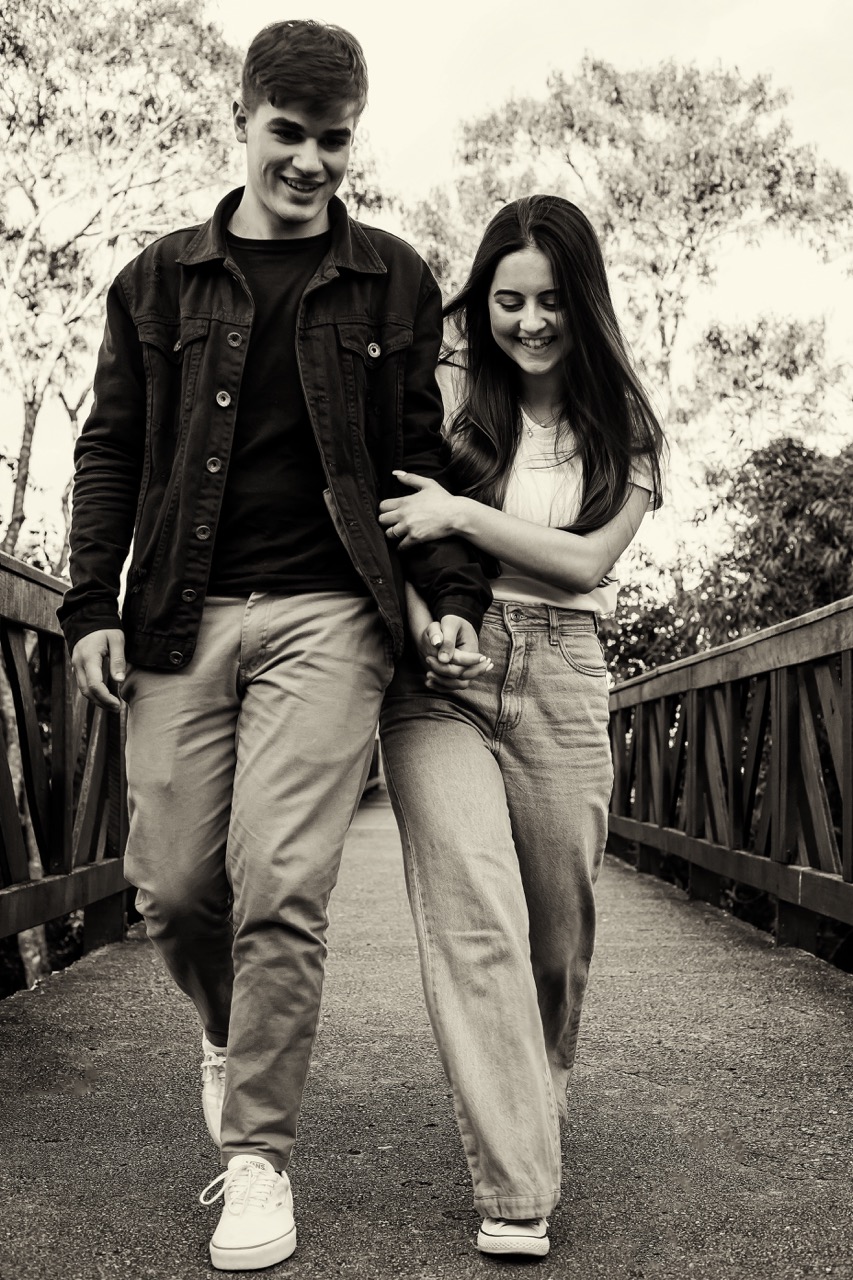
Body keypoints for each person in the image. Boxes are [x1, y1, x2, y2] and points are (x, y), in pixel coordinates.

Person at [58, 19, 491, 1272]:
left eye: (333, 139)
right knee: (173, 885)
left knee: (281, 881)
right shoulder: (156, 280)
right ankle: (227, 1027)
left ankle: (257, 1157)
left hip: (331, 612)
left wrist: (448, 593)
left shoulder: (391, 278)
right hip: (179, 610)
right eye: (287, 133)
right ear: (241, 118)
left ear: (356, 136)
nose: (309, 160)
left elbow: (419, 456)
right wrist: (90, 604)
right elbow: (110, 447)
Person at [377, 194, 664, 1259]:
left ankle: (535, 1105)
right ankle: (515, 1186)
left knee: (555, 937)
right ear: (480, 300)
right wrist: (428, 628)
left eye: (550, 301)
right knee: (476, 915)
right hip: (439, 672)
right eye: (507, 301)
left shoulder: (626, 426)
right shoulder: (445, 388)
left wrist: (461, 511)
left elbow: (583, 563)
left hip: (565, 670)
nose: (529, 322)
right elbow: (391, 526)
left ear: (582, 302)